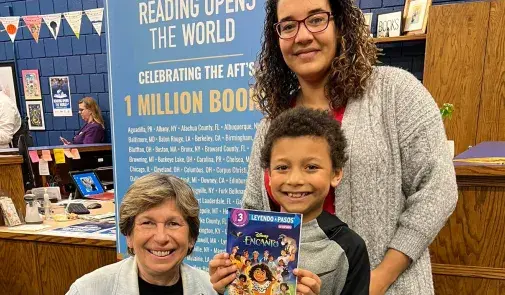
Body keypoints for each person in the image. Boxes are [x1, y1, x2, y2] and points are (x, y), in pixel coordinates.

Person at [242, 0, 458, 294]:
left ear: (341, 24)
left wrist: (376, 279)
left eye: (316, 19)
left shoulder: (396, 93)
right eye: (289, 26)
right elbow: (255, 211)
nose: (302, 36)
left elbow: (438, 190)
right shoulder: (272, 125)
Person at [210, 108, 370, 295]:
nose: (294, 180)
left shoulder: (348, 247)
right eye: (282, 167)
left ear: (336, 174)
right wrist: (222, 288)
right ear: (268, 175)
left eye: (311, 167)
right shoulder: (249, 236)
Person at [66, 173, 217, 295]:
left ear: (191, 237)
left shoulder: (212, 289)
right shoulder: (88, 290)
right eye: (147, 223)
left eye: (173, 224)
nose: (161, 237)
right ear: (129, 236)